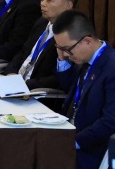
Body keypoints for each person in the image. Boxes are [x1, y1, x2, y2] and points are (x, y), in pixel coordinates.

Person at [51, 10, 115, 169]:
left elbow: (110, 121)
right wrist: (61, 58)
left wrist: (74, 142)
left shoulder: (111, 66)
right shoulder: (85, 58)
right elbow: (70, 89)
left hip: (92, 149)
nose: (66, 54)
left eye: (67, 49)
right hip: (69, 131)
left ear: (87, 41)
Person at [4, 0, 77, 100]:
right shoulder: (41, 23)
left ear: (68, 5)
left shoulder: (70, 36)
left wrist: (25, 84)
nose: (43, 4)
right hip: (14, 86)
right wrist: (11, 73)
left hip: (35, 95)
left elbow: (57, 79)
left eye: (49, 0)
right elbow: (23, 52)